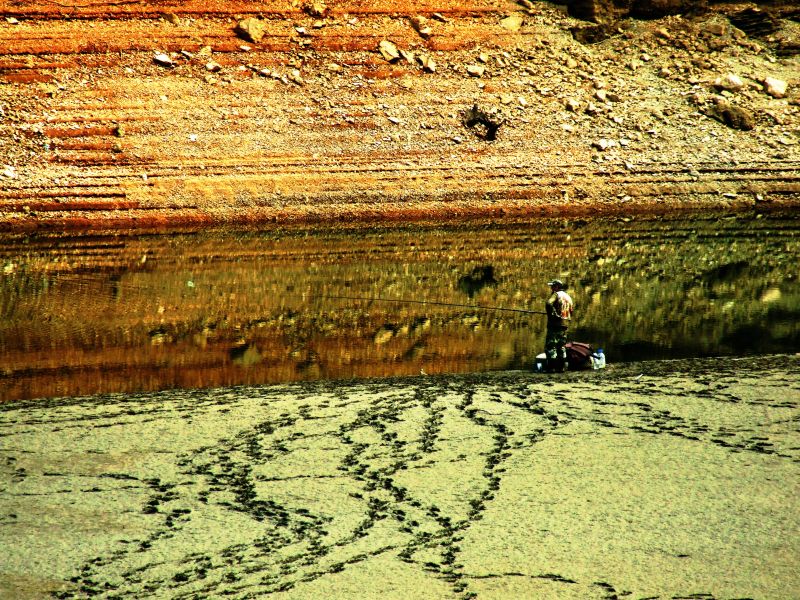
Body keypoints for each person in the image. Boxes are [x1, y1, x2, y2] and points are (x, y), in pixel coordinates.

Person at [544, 279, 574, 372]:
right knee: (561, 346)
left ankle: (551, 368)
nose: (551, 288)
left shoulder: (556, 294)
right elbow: (571, 311)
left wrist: (552, 314)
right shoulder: (568, 297)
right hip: (565, 324)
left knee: (551, 345)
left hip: (555, 324)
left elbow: (548, 303)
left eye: (552, 286)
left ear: (557, 287)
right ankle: (562, 368)